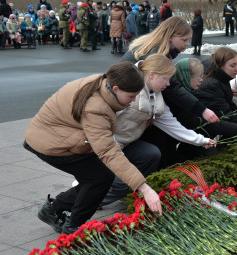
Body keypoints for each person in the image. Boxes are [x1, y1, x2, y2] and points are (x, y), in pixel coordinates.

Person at [25, 61, 163, 234]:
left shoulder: (103, 83)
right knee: (99, 178)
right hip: (50, 143)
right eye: (131, 96)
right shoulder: (96, 107)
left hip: (59, 135)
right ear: (116, 89)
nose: (134, 100)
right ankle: (72, 227)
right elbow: (108, 152)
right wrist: (145, 188)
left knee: (97, 177)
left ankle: (53, 209)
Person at [101, 55, 216, 203]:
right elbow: (103, 126)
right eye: (165, 79)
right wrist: (116, 155)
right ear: (151, 74)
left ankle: (127, 193)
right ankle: (96, 199)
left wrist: (201, 140)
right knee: (119, 179)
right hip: (106, 146)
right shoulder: (129, 90)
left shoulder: (156, 96)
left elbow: (172, 126)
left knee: (152, 153)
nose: (168, 84)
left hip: (126, 144)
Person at [121, 16, 221, 129]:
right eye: (184, 40)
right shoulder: (157, 53)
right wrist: (201, 110)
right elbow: (172, 87)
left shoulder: (153, 46)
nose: (187, 44)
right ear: (170, 36)